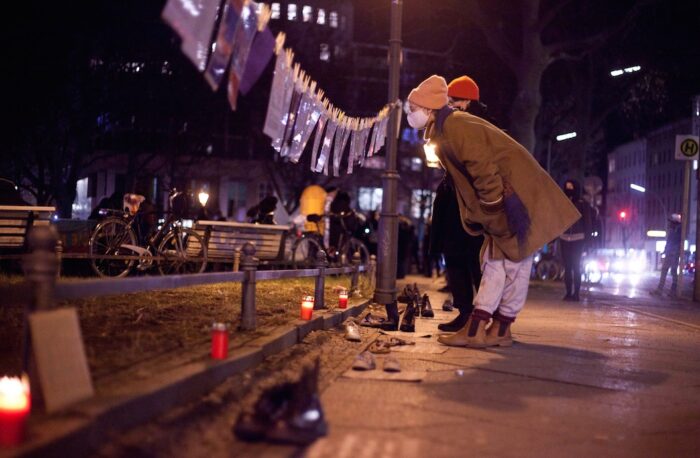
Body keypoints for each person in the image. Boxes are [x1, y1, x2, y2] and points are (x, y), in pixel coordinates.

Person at [404, 75, 580, 348]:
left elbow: (482, 169)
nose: (409, 114)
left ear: (428, 108)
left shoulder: (455, 125)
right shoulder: (449, 126)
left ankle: (476, 329)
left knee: (497, 263)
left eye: (412, 108)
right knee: (514, 263)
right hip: (516, 197)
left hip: (512, 201)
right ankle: (500, 329)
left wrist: (491, 208)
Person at [559, 179, 593, 302]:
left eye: (571, 187)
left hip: (578, 239)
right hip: (564, 238)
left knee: (576, 266)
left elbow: (588, 222)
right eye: (566, 187)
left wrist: (588, 241)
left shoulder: (582, 203)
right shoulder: (562, 202)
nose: (568, 190)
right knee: (567, 267)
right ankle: (568, 293)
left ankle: (576, 294)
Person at [651, 213, 682, 297]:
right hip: (670, 253)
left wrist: (671, 251)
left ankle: (672, 291)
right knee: (666, 270)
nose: (669, 223)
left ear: (675, 222)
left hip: (674, 253)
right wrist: (665, 251)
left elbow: (674, 242)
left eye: (671, 222)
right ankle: (661, 290)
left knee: (673, 271)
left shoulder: (678, 230)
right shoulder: (673, 230)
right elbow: (669, 242)